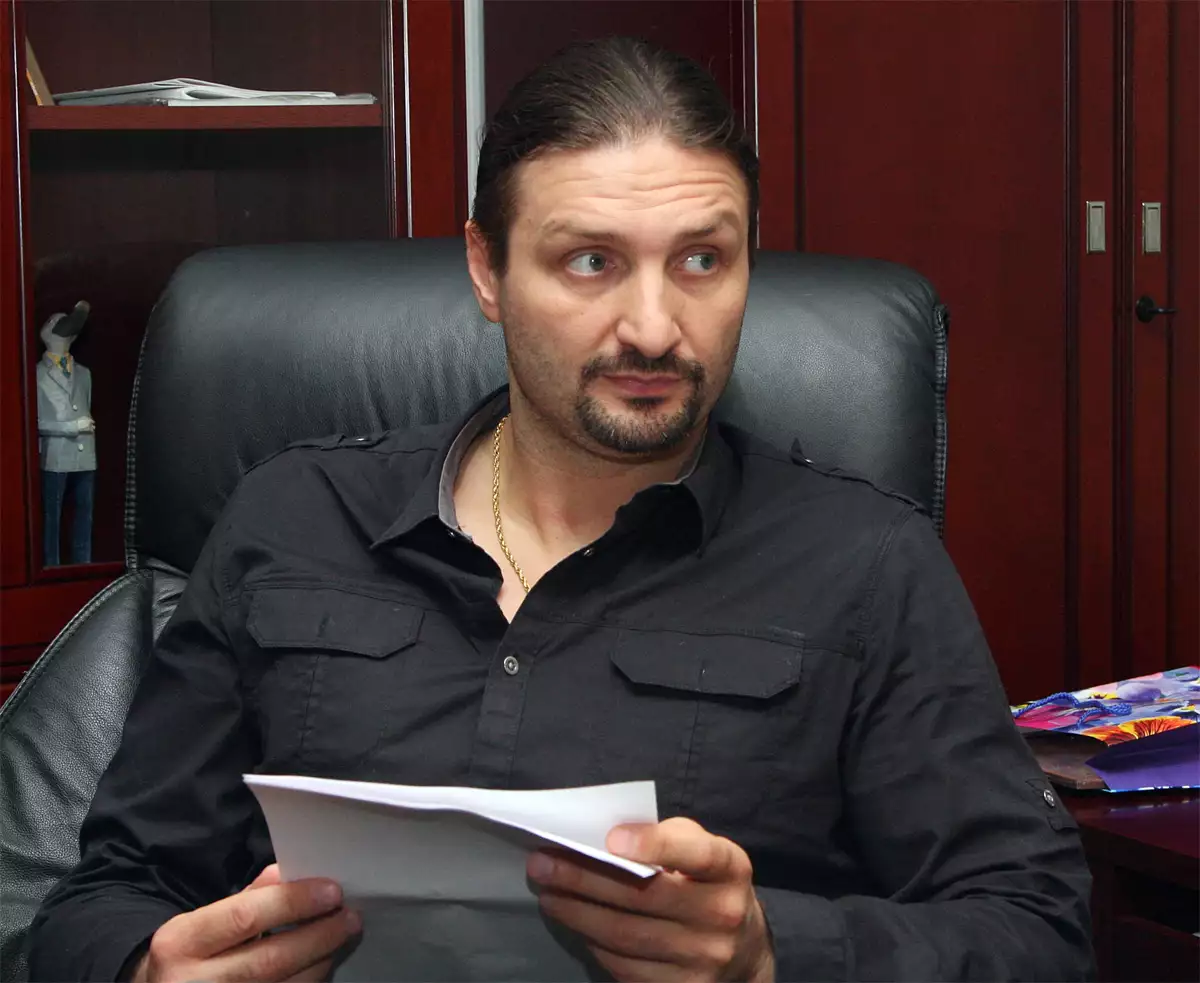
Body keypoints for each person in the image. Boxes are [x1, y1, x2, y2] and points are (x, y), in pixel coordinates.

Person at [29, 37, 1093, 983]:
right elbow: (106, 892)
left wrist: (776, 951)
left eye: (703, 260)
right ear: (487, 269)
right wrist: (147, 966)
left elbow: (1038, 932)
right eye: (591, 262)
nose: (654, 327)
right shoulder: (293, 516)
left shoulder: (865, 562)